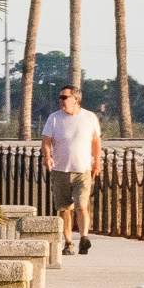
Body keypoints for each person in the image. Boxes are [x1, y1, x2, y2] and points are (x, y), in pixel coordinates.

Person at [41, 83, 101, 254]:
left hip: (82, 170)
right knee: (64, 209)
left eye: (64, 97)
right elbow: (46, 141)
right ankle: (68, 243)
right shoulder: (54, 118)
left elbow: (96, 142)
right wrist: (47, 157)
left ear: (76, 99)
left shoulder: (89, 118)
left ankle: (84, 237)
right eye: (60, 97)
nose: (61, 100)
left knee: (82, 205)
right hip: (60, 170)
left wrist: (97, 162)